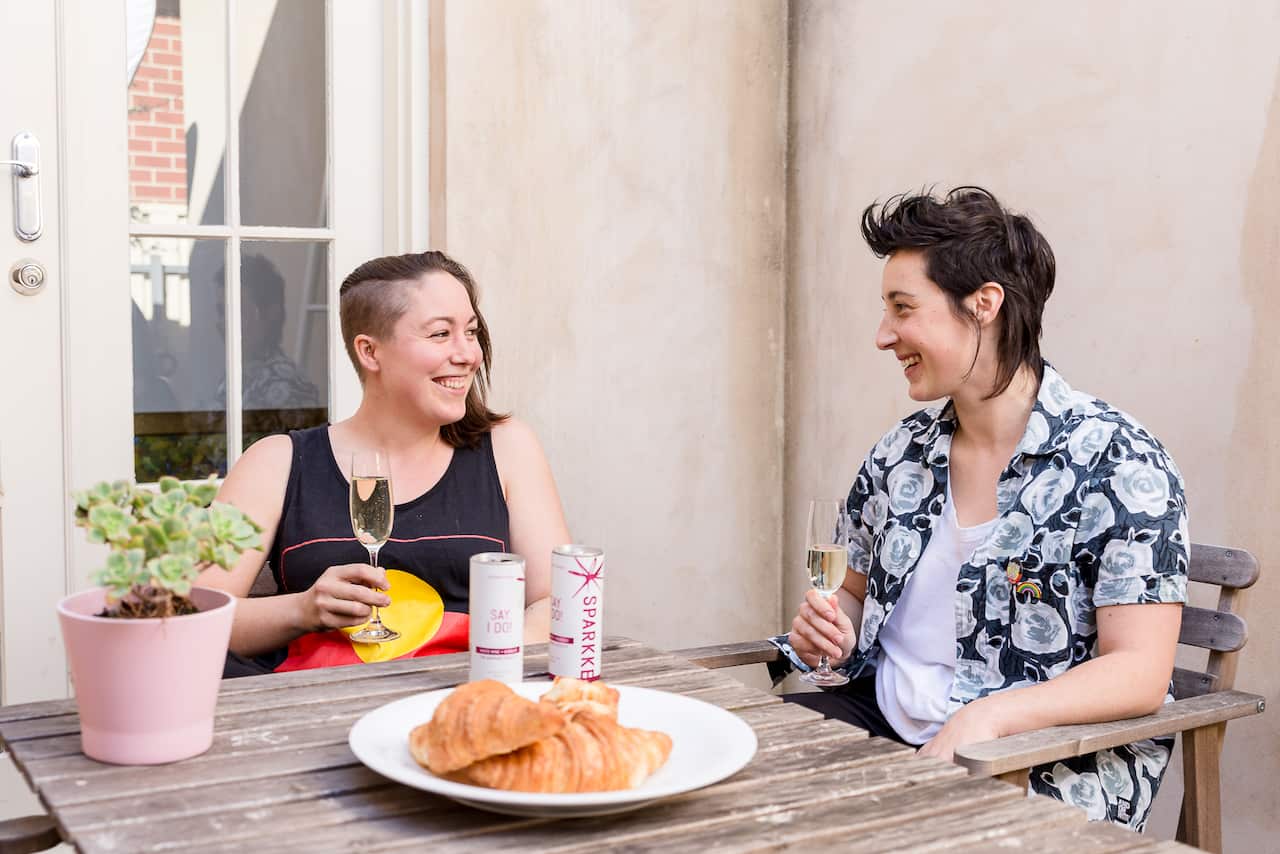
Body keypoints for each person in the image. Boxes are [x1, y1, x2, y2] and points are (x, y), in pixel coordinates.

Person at [772, 187, 1188, 830]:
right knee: (730, 772)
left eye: (903, 308)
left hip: (1040, 760)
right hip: (883, 725)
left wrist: (986, 718)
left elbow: (1139, 671)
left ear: (983, 305)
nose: (884, 336)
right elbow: (851, 593)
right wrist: (836, 631)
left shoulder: (1120, 463)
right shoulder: (901, 453)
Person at [198, 250, 570, 675]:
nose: (469, 353)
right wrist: (303, 609)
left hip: (468, 694)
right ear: (370, 352)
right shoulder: (277, 462)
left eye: (470, 331)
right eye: (440, 334)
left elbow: (554, 600)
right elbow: (194, 618)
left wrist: (487, 667)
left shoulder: (507, 447)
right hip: (319, 703)